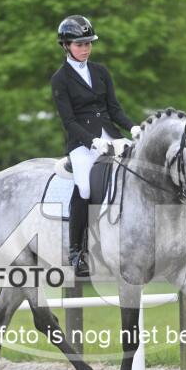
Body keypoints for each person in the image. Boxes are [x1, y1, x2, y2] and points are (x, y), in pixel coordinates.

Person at [51, 15, 141, 277]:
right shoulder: (60, 79)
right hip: (82, 142)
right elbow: (68, 121)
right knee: (85, 186)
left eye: (88, 43)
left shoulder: (101, 71)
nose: (86, 48)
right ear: (66, 45)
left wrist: (133, 127)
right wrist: (92, 141)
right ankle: (76, 251)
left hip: (110, 135)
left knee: (138, 171)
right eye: (80, 44)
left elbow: (114, 108)